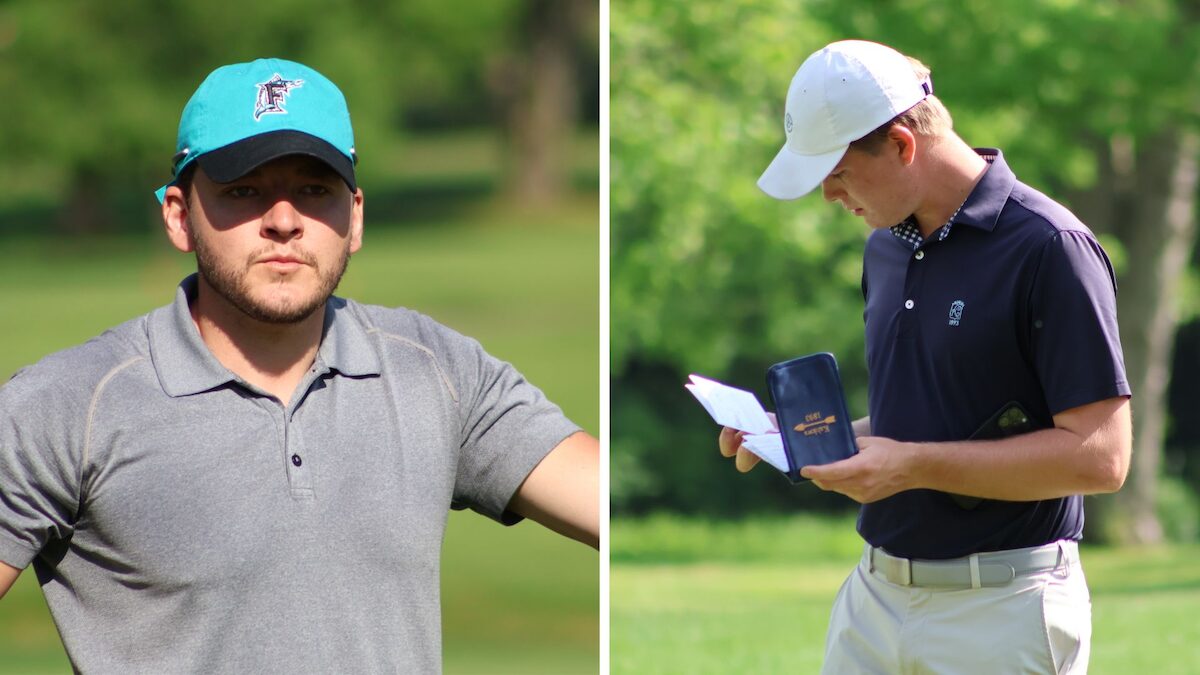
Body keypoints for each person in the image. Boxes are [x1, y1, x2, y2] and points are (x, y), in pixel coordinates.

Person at [0, 58, 599, 672]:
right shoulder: (69, 403)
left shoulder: (437, 370)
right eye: (243, 190)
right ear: (179, 215)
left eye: (315, 191)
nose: (284, 221)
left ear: (355, 216)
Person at [718, 40, 1131, 673]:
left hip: (1005, 609)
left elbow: (1101, 459)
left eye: (838, 171)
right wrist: (799, 438)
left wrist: (910, 468)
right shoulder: (885, 249)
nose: (828, 195)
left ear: (904, 145)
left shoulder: (1051, 248)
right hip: (873, 600)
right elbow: (917, 421)